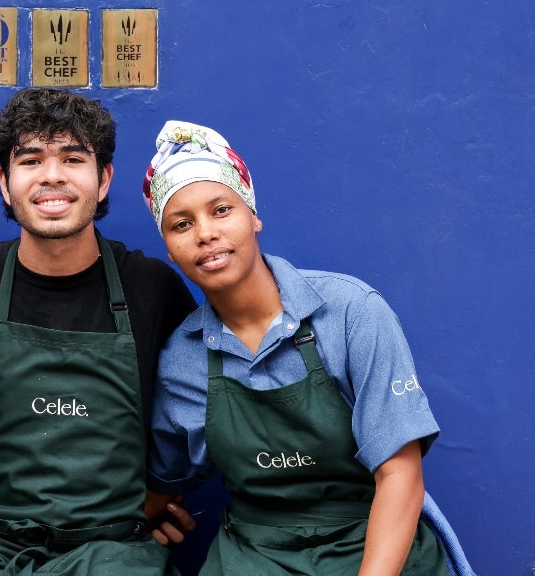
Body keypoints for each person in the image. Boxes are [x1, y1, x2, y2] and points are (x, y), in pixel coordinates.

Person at [142, 120, 477, 575]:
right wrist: (142, 521)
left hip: (373, 545)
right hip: (255, 555)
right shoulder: (183, 359)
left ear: (253, 215)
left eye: (221, 210)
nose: (205, 233)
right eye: (181, 224)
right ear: (169, 249)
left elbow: (400, 475)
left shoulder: (350, 312)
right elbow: (163, 484)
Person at [0, 88, 199, 575]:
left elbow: (195, 412)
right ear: (5, 183)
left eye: (73, 158)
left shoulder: (153, 289)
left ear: (104, 178)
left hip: (113, 557)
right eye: (30, 160)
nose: (52, 175)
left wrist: (148, 511)